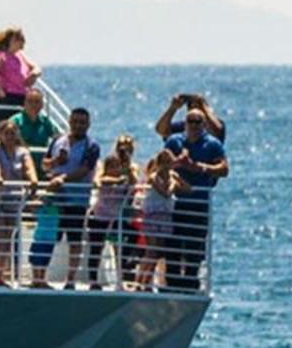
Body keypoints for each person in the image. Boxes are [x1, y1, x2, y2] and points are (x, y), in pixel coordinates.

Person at [30, 106, 101, 288]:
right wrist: (55, 163)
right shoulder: (57, 141)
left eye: (82, 122)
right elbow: (45, 165)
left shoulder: (91, 146)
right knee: (48, 237)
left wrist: (63, 178)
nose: (78, 125)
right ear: (69, 122)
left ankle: (70, 279)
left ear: (88, 124)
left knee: (74, 240)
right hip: (55, 200)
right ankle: (40, 278)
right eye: (75, 121)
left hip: (76, 201)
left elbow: (85, 169)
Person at [163, 106, 228, 291]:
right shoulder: (175, 141)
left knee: (195, 245)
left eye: (197, 122)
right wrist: (179, 163)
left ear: (204, 124)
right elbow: (161, 163)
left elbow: (224, 169)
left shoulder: (213, 144)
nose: (193, 125)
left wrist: (199, 168)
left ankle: (191, 281)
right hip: (175, 202)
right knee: (173, 243)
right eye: (190, 121)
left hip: (198, 202)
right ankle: (172, 282)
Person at [0, 118, 40, 286]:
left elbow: (29, 167)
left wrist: (33, 180)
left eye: (12, 133)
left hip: (14, 199)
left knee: (8, 239)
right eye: (6, 133)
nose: (9, 136)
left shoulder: (22, 151)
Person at [86, 134, 140, 290]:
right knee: (97, 247)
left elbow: (134, 181)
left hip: (117, 216)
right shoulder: (106, 164)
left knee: (123, 244)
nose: (124, 150)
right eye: (121, 147)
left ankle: (120, 279)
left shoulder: (130, 168)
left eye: (128, 147)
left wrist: (127, 166)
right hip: (101, 215)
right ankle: (93, 281)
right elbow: (98, 181)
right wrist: (117, 180)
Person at [136, 149, 186, 291]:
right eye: (162, 163)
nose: (165, 166)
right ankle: (141, 280)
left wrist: (177, 181)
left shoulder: (173, 176)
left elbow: (188, 189)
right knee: (151, 251)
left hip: (165, 217)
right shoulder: (153, 177)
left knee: (157, 252)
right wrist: (172, 185)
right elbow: (164, 192)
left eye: (168, 163)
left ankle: (146, 281)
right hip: (152, 216)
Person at [0, 27, 40, 130]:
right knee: (5, 129)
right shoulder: (3, 56)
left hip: (23, 97)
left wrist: (33, 75)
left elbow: (36, 68)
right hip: (9, 98)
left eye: (21, 38)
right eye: (17, 38)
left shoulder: (20, 55)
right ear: (9, 41)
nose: (21, 41)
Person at [5, 88, 63, 173]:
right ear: (24, 103)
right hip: (19, 166)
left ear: (42, 105)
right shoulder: (15, 121)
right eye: (30, 101)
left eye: (37, 101)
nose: (33, 104)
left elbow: (58, 137)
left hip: (40, 166)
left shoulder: (45, 122)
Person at [155, 92, 228, 144]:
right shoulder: (181, 127)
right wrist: (173, 108)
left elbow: (217, 132)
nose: (194, 125)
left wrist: (203, 106)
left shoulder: (214, 126)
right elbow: (161, 130)